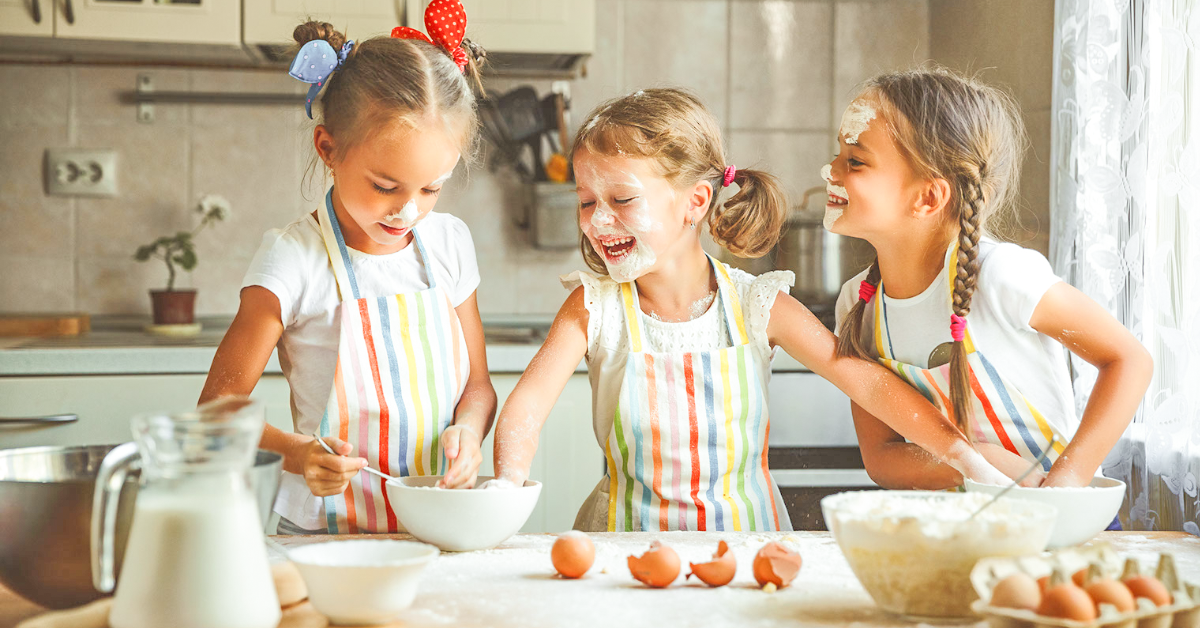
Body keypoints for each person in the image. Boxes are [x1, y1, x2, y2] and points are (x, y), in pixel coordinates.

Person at [492, 88, 1011, 532]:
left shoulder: (758, 304)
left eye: (623, 200)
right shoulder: (592, 307)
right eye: (586, 201)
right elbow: (525, 411)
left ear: (695, 202)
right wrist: (503, 490)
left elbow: (869, 384)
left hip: (748, 545)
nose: (599, 221)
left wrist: (965, 460)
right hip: (623, 546)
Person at [199, 1, 496, 534]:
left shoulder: (449, 243)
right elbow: (217, 412)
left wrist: (470, 433)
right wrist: (298, 453)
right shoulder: (292, 259)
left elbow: (477, 387)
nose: (409, 210)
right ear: (328, 148)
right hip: (323, 534)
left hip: (435, 523)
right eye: (385, 186)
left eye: (432, 188)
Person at [828, 68, 1153, 490]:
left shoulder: (1000, 275)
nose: (830, 170)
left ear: (928, 196)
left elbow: (1129, 360)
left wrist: (1068, 481)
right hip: (959, 526)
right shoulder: (857, 301)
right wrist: (975, 463)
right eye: (838, 154)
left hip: (1058, 523)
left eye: (854, 161)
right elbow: (882, 458)